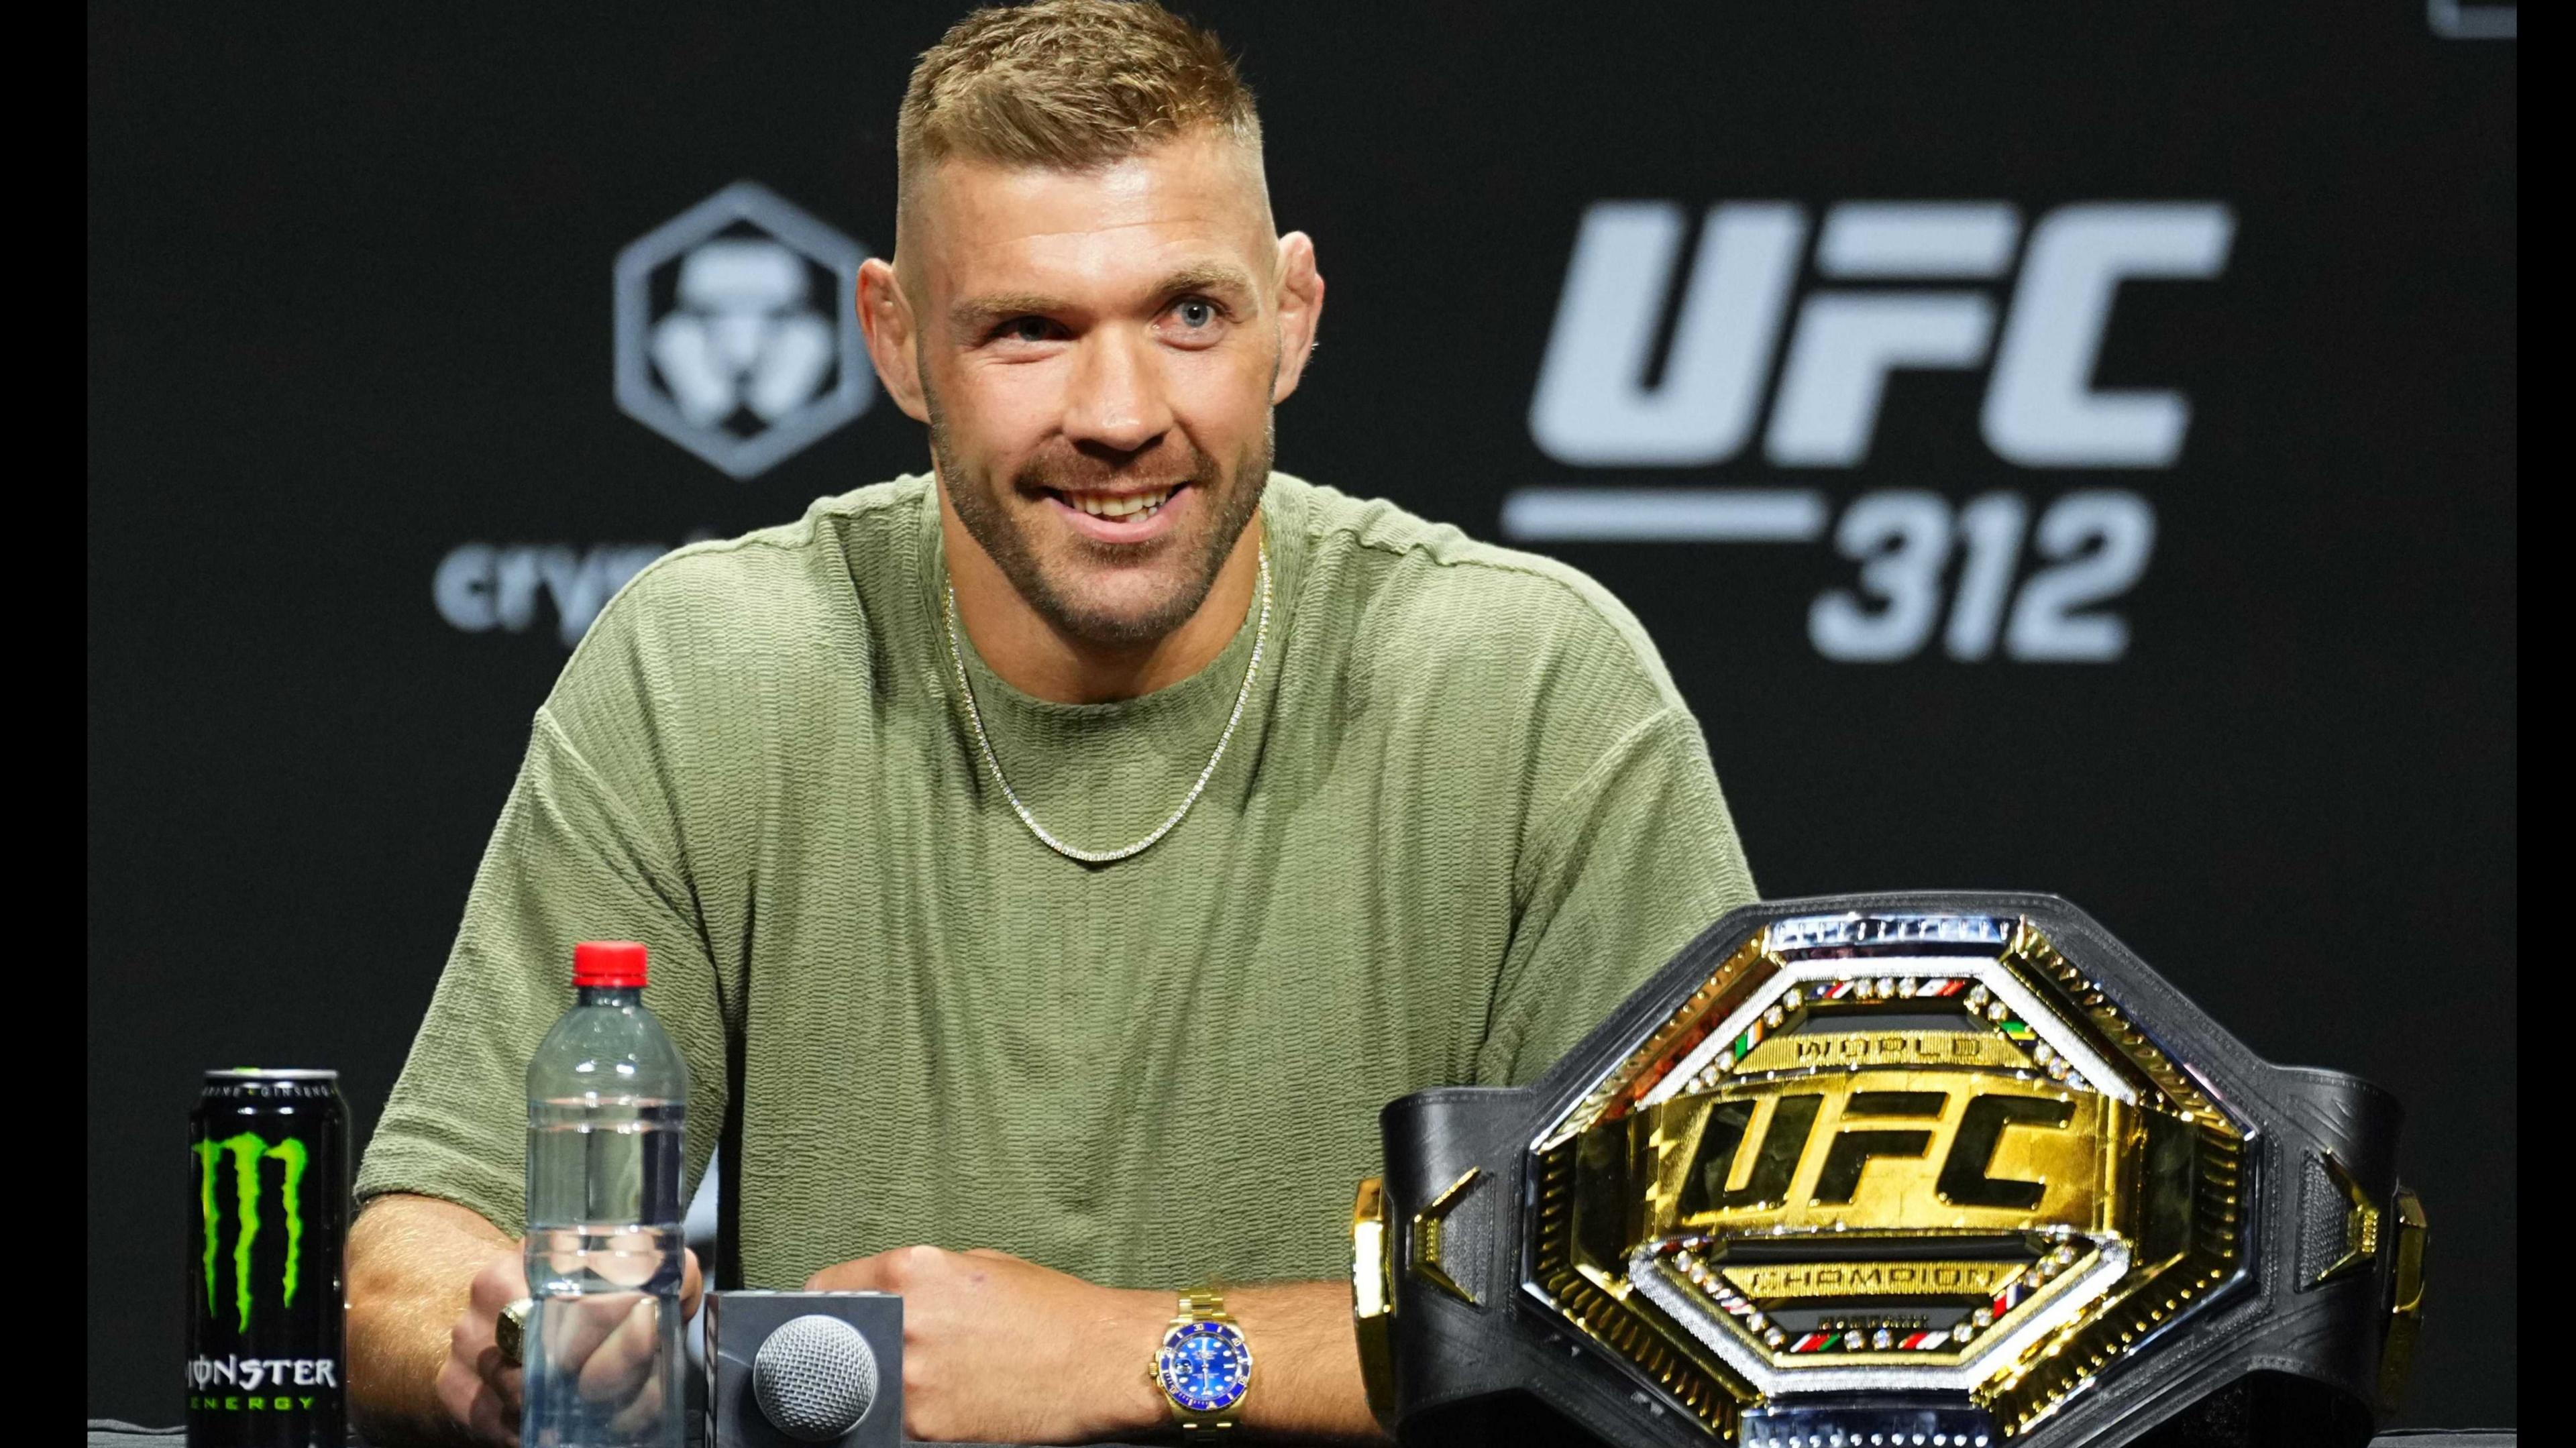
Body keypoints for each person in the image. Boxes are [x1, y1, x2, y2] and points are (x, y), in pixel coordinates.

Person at [345, 2, 1758, 1441]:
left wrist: (1135, 1357)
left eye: (1190, 314)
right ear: (896, 345)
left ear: (1294, 317)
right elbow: (414, 1254)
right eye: (1029, 329)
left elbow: (1707, 1299)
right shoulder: (718, 668)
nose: (1121, 411)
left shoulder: (1524, 687)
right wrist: (522, 1333)